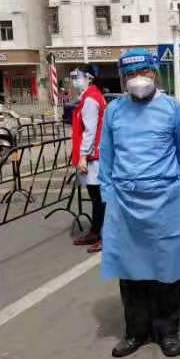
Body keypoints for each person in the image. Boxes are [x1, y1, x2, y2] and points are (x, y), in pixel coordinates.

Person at [99, 48, 180, 359]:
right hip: (125, 200)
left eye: (143, 72)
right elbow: (106, 155)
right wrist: (108, 195)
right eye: (130, 74)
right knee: (130, 269)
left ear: (155, 73)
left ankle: (168, 331)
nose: (137, 79)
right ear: (122, 79)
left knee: (166, 268)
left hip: (166, 199)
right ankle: (136, 331)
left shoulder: (174, 110)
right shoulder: (114, 111)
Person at [70, 65, 106, 253]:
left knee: (99, 197)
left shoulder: (91, 99)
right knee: (96, 197)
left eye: (78, 76)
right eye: (73, 76)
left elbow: (90, 131)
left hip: (94, 156)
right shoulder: (90, 96)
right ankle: (96, 231)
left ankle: (102, 235)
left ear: (89, 78)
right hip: (95, 154)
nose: (75, 80)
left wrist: (83, 156)